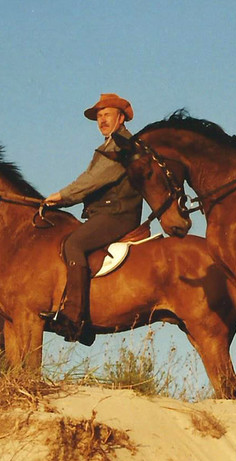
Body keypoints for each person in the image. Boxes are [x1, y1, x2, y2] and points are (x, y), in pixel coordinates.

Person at [39, 93, 144, 346]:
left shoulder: (121, 145)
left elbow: (93, 180)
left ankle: (75, 318)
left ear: (121, 118)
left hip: (118, 213)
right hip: (107, 212)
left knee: (73, 244)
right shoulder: (108, 145)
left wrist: (61, 196)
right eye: (98, 117)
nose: (102, 120)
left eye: (106, 114)